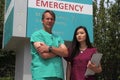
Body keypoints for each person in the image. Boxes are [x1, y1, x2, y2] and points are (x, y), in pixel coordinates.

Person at [30, 10, 68, 80]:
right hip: (41, 75)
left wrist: (49, 48)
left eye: (52, 19)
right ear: (42, 20)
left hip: (58, 76)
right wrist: (59, 52)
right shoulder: (37, 35)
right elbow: (44, 55)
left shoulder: (58, 38)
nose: (50, 21)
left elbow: (66, 53)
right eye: (47, 18)